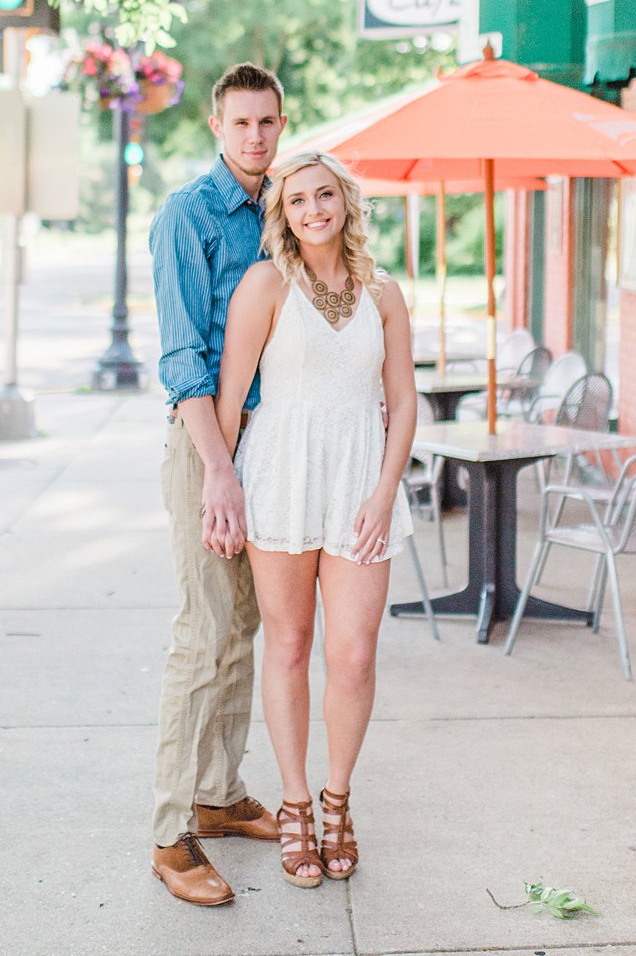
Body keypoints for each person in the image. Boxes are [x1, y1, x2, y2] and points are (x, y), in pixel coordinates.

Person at [215, 151, 415, 889]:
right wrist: (222, 489)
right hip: (283, 478)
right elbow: (233, 396)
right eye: (296, 201)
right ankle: (294, 802)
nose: (312, 210)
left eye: (323, 195)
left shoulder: (385, 293)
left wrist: (386, 492)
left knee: (355, 653)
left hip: (362, 481)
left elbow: (404, 402)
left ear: (345, 202)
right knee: (292, 645)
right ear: (285, 216)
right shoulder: (266, 284)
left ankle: (338, 801)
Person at [148, 63, 287, 908]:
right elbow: (182, 360)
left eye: (267, 122)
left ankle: (220, 791)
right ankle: (171, 835)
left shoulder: (285, 210)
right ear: (215, 126)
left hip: (271, 447)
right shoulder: (186, 216)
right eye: (240, 124)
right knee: (203, 635)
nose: (255, 137)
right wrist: (218, 472)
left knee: (243, 626)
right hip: (209, 446)